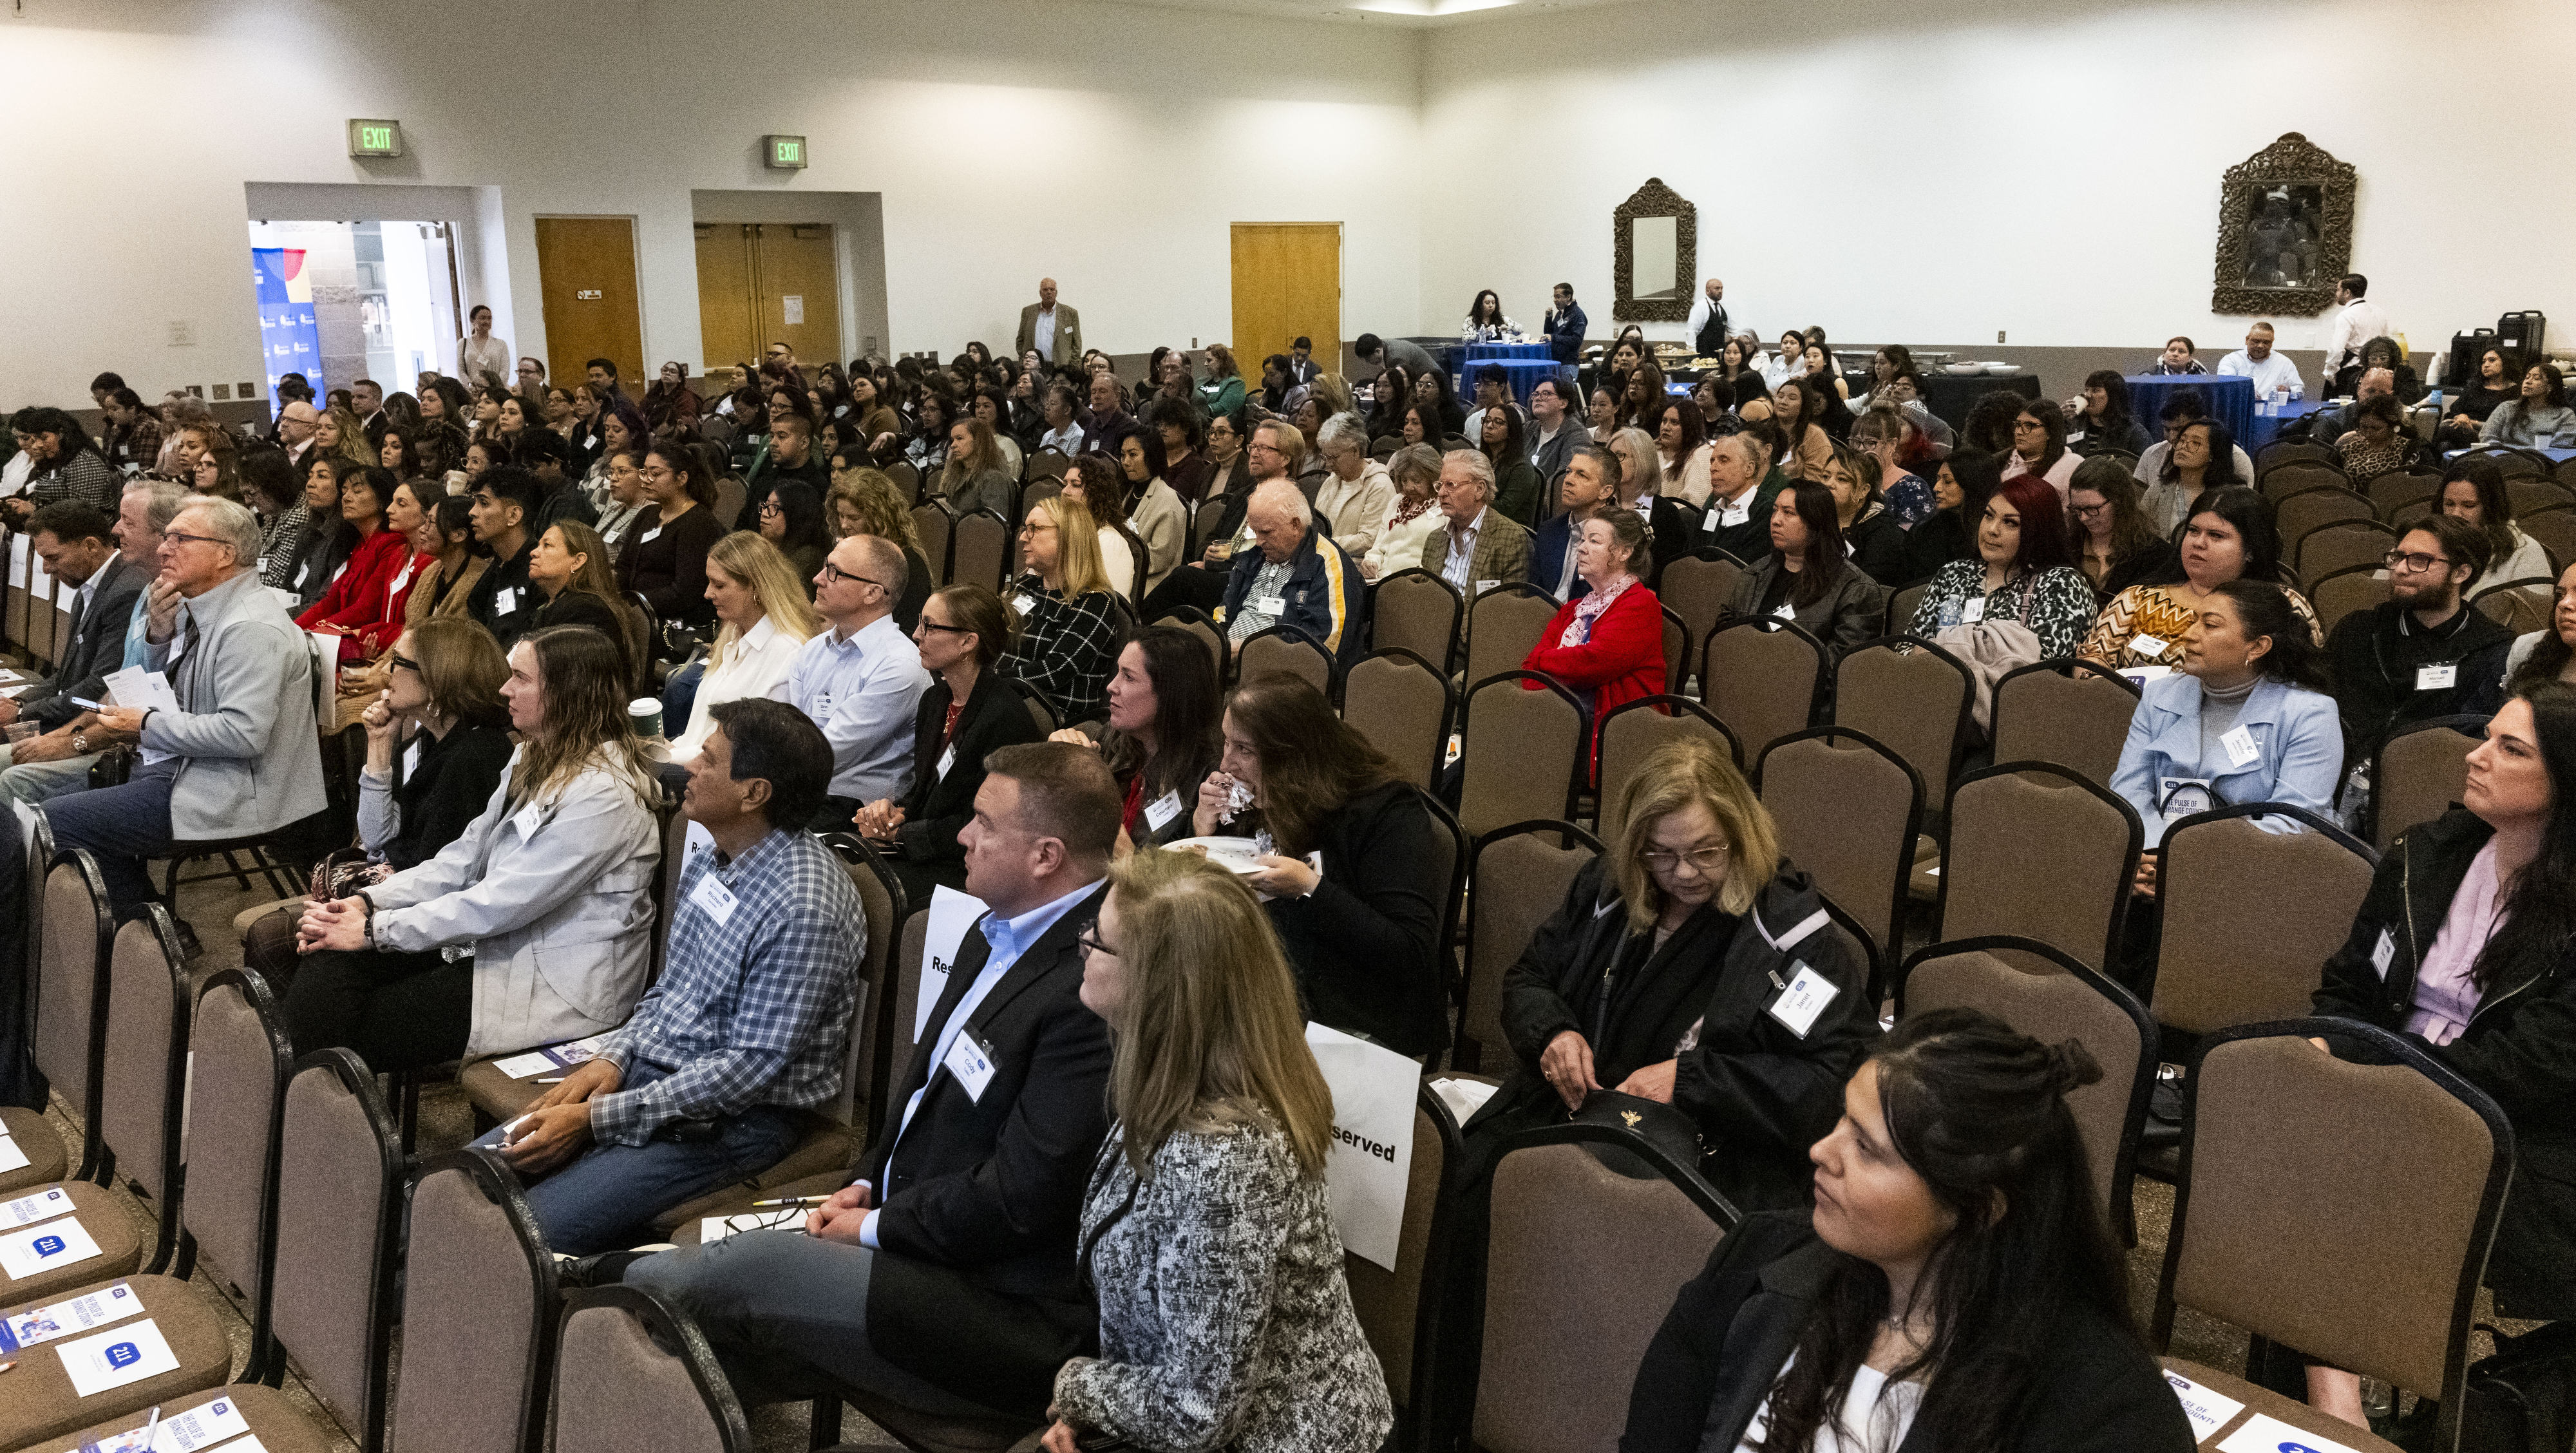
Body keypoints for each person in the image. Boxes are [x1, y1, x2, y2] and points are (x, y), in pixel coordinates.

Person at [619, 743, 1118, 1423]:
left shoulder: (1093, 988)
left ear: (1045, 856)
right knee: (695, 1350)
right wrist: (869, 1178)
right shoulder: (992, 927)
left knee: (736, 1277)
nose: (962, 837)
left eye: (984, 824)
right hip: (921, 1227)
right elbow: (920, 1093)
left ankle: (577, 1280)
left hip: (1000, 1300)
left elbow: (1022, 1200)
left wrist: (879, 1225)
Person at [1622, 1009, 2194, 1453]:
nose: (1821, 1151)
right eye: (1843, 1118)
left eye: (1867, 1149)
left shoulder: (2103, 1410)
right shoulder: (1754, 1261)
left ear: (1978, 1208)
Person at [1038, 848, 1394, 1453]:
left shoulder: (1225, 1161)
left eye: (1097, 939)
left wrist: (1080, 1386)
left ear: (1158, 987)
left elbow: (1200, 1413)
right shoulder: (1171, 1081)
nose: (1082, 946)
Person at [475, 698, 860, 1253]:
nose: (689, 768)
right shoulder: (715, 855)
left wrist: (594, 1119)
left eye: (708, 759)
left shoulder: (804, 907)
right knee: (466, 1182)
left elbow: (745, 1071)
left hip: (734, 1122)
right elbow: (671, 990)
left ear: (755, 793)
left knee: (511, 1241)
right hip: (649, 1078)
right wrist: (614, 1058)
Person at [1465, 734, 1876, 1204]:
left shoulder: (1791, 937)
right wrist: (1553, 1034)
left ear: (1740, 836)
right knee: (1467, 1192)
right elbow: (1528, 978)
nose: (1683, 873)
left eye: (1705, 852)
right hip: (1580, 1118)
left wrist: (1691, 1080)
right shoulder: (1608, 889)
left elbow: (1832, 1083)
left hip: (1712, 1155)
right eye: (1661, 853)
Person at [2307, 683, 2576, 1371]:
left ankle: (2335, 1404)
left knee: (2342, 1171)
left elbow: (2537, 1067)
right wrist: (2330, 1047)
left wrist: (2383, 1069)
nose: (2475, 758)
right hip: (2386, 1087)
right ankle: (2336, 1404)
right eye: (2485, 738)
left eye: (2508, 749)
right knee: (2296, 1129)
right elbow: (2348, 987)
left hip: (2514, 1133)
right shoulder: (2425, 855)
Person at [37, 495, 328, 921]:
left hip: (231, 790)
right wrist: (158, 635)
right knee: (46, 807)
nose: (163, 548)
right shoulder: (204, 607)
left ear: (226, 554)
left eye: (181, 538)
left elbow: (243, 734)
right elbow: (173, 693)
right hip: (185, 767)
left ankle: (148, 936)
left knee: (57, 821)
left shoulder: (249, 628)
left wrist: (147, 724)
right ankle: (143, 923)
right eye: (166, 536)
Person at [241, 617, 517, 983]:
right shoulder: (431, 738)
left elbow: (441, 878)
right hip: (394, 891)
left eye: (399, 663)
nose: (385, 673)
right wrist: (379, 744)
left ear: (437, 678)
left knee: (274, 940)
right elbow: (375, 837)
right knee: (275, 937)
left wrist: (364, 910)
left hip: (429, 923)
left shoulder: (473, 759)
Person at [1190, 674, 1446, 1054]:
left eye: (1244, 749)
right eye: (1226, 742)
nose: (1227, 763)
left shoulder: (1386, 810)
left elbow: (1408, 954)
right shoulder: (1259, 794)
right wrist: (1202, 830)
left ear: (1294, 755)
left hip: (1356, 1020)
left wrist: (1310, 889)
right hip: (1270, 993)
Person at [2111, 579, 2340, 859]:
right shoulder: (2161, 693)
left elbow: (2292, 822)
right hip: (2153, 855)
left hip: (2254, 871)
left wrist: (2185, 864)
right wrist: (2154, 854)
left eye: (2210, 625)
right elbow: (2129, 787)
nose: (2189, 634)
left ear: (2257, 647)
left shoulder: (2310, 714)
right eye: (2194, 620)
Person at [853, 584, 1043, 898]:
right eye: (920, 622)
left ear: (968, 642)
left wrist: (903, 834)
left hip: (969, 862)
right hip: (928, 848)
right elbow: (927, 790)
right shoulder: (935, 699)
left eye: (929, 626)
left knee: (865, 890)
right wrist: (894, 813)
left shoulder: (1004, 718)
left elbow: (989, 821)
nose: (916, 634)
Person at [2325, 517, 2511, 768]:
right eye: (2398, 557)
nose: (2401, 569)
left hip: (2427, 780)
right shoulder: (2358, 630)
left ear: (2460, 573)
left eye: (2420, 561)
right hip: (2340, 771)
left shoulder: (2492, 649)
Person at [2081, 487, 2317, 672]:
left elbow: (2304, 678)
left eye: (2216, 536)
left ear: (2251, 550)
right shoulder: (2139, 597)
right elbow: (2091, 657)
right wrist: (2102, 686)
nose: (2198, 543)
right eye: (2193, 531)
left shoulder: (2283, 604)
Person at [792, 532, 933, 831]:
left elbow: (826, 754)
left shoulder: (899, 666)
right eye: (824, 567)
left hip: (852, 814)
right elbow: (786, 728)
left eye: (834, 572)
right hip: (803, 794)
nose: (818, 579)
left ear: (872, 594)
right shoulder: (814, 650)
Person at [0, 503, 146, 786]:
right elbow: (64, 676)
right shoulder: (88, 587)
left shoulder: (126, 591)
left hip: (90, 725)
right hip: (71, 712)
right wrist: (19, 701)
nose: (45, 569)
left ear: (90, 546)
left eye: (53, 557)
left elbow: (101, 686)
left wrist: (20, 714)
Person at [1523, 508, 1667, 780]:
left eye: (1594, 541)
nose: (1581, 548)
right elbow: (1529, 669)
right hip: (1566, 716)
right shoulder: (1574, 609)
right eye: (1582, 540)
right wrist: (1546, 679)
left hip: (1616, 729)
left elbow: (1593, 662)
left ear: (1624, 552)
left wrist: (1547, 662)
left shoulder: (1640, 604)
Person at [1053, 627, 1223, 851]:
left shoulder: (1208, 776)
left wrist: (1089, 792)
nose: (1111, 686)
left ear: (1169, 694)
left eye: (1129, 677)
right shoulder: (1114, 737)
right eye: (1118, 672)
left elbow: (1155, 874)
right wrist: (1059, 766)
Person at [667, 532, 821, 770]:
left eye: (719, 585)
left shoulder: (788, 653)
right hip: (691, 762)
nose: (707, 594)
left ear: (756, 587)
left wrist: (669, 757)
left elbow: (752, 748)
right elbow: (699, 732)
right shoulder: (732, 635)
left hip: (725, 778)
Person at [1907, 473, 2096, 658]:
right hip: (1933, 684)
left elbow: (2041, 670)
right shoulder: (1955, 573)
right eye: (1989, 516)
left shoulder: (2061, 584)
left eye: (2010, 523)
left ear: (2038, 531)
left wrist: (1943, 651)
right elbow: (1907, 648)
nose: (1992, 530)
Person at [1732, 481, 1888, 661]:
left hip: (1802, 685)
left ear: (1816, 523)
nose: (1775, 520)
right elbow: (1724, 633)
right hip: (1743, 677)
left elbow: (1842, 663)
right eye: (1775, 510)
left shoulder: (1857, 590)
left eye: (1788, 513)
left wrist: (1774, 674)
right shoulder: (1756, 572)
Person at [1005, 495, 1126, 723]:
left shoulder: (1095, 601)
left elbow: (1056, 670)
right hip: (1005, 702)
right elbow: (992, 634)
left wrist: (985, 683)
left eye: (1034, 529)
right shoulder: (1027, 586)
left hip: (1052, 718)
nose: (1022, 537)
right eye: (1025, 528)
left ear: (1068, 537)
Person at [294, 465, 419, 665]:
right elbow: (331, 601)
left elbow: (365, 610)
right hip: (338, 638)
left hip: (363, 643)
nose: (347, 497)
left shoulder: (390, 543)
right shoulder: (359, 545)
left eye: (358, 490)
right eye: (344, 491)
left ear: (380, 500)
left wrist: (315, 632)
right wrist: (295, 629)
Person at [618, 442, 726, 633]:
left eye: (656, 473)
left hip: (673, 625)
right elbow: (624, 566)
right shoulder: (647, 514)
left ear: (682, 478)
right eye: (644, 472)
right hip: (636, 612)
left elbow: (685, 593)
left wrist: (633, 604)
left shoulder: (699, 524)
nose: (646, 480)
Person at [1422, 446, 1535, 603]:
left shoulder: (1511, 541)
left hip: (1480, 627)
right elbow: (1425, 602)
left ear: (1479, 489)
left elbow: (1509, 611)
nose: (1441, 493)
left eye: (1451, 485)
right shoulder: (1435, 540)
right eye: (1440, 485)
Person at [2067, 456, 2177, 602]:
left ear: (2119, 501)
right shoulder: (2069, 546)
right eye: (2077, 509)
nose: (2083, 518)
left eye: (2092, 509)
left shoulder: (2156, 554)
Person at [2442, 457, 2554, 598]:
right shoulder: (2432, 543)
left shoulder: (2525, 551)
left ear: (2490, 508)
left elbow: (2534, 615)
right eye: (2449, 504)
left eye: (2469, 506)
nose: (2456, 514)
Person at [1, 408, 120, 528]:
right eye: (35, 439)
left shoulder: (83, 462)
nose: (38, 445)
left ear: (62, 434)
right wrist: (23, 506)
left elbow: (83, 518)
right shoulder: (59, 459)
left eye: (44, 438)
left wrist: (34, 510)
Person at [1530, 444, 1620, 600]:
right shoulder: (1549, 530)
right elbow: (1534, 593)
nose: (1568, 480)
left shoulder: (1618, 537)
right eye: (1568, 472)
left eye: (1582, 475)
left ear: (1605, 491)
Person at [1110, 429, 1187, 596]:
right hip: (1118, 574)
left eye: (1133, 455)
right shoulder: (1125, 491)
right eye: (1123, 455)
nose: (1126, 462)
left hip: (1148, 586)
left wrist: (1113, 559)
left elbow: (1157, 560)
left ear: (1151, 456)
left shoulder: (1168, 501)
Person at [1820, 442, 1906, 585]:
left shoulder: (1883, 531)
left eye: (1841, 479)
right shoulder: (1816, 515)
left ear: (1863, 490)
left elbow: (1870, 588)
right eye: (1825, 477)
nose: (1829, 484)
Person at [1358, 442, 1443, 584]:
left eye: (1417, 481)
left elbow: (1441, 559)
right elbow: (1378, 548)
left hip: (1419, 583)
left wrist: (1415, 576)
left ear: (1432, 477)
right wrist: (1370, 563)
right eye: (1404, 480)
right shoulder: (1396, 502)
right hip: (1382, 580)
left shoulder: (1444, 507)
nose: (1409, 487)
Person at [1312, 414, 1396, 558]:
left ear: (1356, 451)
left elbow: (1368, 540)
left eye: (1334, 457)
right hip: (1323, 559)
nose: (1328, 464)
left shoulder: (1379, 485)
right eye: (1325, 457)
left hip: (1354, 566)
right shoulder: (1332, 481)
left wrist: (1320, 543)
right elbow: (1316, 525)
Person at [2439, 346, 2524, 447]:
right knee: (2445, 446)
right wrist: (2461, 416)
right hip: (2461, 430)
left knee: (2446, 429)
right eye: (2483, 362)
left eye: (2492, 360)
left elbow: (2507, 425)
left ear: (2505, 363)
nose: (2486, 365)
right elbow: (2455, 409)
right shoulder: (2475, 386)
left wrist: (2472, 423)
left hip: (2487, 435)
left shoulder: (2516, 392)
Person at [2479, 362, 2576, 448]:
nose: (2528, 381)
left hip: (2543, 462)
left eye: (2537, 378)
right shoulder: (2507, 408)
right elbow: (2487, 437)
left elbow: (2560, 447)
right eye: (2527, 377)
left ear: (2550, 387)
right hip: (2503, 459)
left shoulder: (2565, 415)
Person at [2334, 394, 2427, 482]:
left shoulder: (2408, 450)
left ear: (2393, 427)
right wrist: (2337, 445)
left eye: (2376, 428)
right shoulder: (2350, 448)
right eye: (2364, 427)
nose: (2368, 433)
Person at [757, 478, 834, 584]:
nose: (764, 514)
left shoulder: (807, 558)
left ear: (796, 514)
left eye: (775, 507)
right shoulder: (760, 547)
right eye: (766, 506)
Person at [2002, 399, 2078, 500]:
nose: (2019, 432)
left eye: (2029, 426)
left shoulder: (2072, 464)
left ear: (2050, 432)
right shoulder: (2002, 462)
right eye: (2018, 425)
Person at [2322, 272, 2392, 383]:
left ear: (2347, 293)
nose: (2337, 293)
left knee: (2341, 400)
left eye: (2338, 290)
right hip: (2376, 372)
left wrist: (2330, 373)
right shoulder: (2380, 312)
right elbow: (2387, 343)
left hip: (2349, 374)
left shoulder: (2346, 316)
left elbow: (2336, 349)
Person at [2065, 371, 2150, 458]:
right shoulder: (2072, 426)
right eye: (2087, 390)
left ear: (2113, 397)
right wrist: (2057, 421)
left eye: (2095, 390)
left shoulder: (2134, 433)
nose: (2088, 395)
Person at [2217, 321, 2304, 401]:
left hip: (2273, 411)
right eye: (2256, 341)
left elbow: (2299, 391)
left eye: (2266, 343)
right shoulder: (2231, 360)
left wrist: (2288, 392)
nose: (2260, 346)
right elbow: (2225, 388)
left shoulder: (2284, 363)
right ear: (2247, 340)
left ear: (2272, 343)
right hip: (2240, 410)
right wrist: (2246, 394)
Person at [2330, 334, 2423, 405]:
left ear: (2392, 359)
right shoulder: (2357, 377)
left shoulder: (2404, 373)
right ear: (2367, 360)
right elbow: (2351, 403)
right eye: (2373, 359)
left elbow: (2409, 399)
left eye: (2383, 358)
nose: (2378, 363)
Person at [1016, 278, 1083, 366]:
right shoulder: (1028, 312)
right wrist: (1024, 358)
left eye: (1052, 289)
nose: (1049, 292)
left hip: (1061, 368)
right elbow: (1020, 340)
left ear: (1056, 292)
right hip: (1034, 367)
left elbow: (1077, 344)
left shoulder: (1070, 313)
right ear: (1040, 293)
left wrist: (1072, 365)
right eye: (1045, 290)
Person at [1352, 332, 1441, 387]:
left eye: (1368, 359)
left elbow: (1400, 385)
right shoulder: (1384, 345)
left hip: (1435, 386)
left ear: (1378, 351)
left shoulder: (1395, 358)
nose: (1368, 362)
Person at [456, 304, 509, 387]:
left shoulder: (500, 344)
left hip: (496, 391)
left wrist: (493, 387)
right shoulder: (463, 343)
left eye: (489, 318)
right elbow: (461, 371)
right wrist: (472, 387)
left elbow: (505, 371)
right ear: (473, 321)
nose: (487, 321)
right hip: (472, 392)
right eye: (483, 318)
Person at [1542, 281, 1589, 365]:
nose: (1555, 300)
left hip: (1568, 363)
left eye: (1558, 297)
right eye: (1554, 297)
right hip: (1555, 361)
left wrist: (1554, 338)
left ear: (1568, 297)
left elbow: (1576, 340)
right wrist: (1548, 319)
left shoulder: (1578, 314)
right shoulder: (1559, 314)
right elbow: (1549, 334)